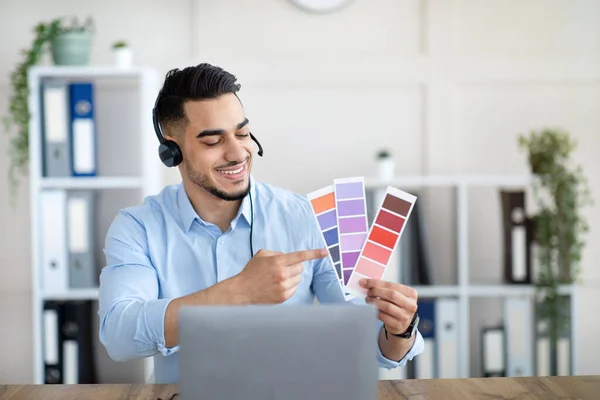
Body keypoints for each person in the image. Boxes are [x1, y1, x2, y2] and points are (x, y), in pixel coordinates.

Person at [98, 63, 424, 384]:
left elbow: (373, 347)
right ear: (172, 150)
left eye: (242, 133)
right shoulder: (137, 227)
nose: (238, 152)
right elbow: (119, 336)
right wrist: (238, 292)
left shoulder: (310, 217)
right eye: (213, 142)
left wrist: (399, 329)